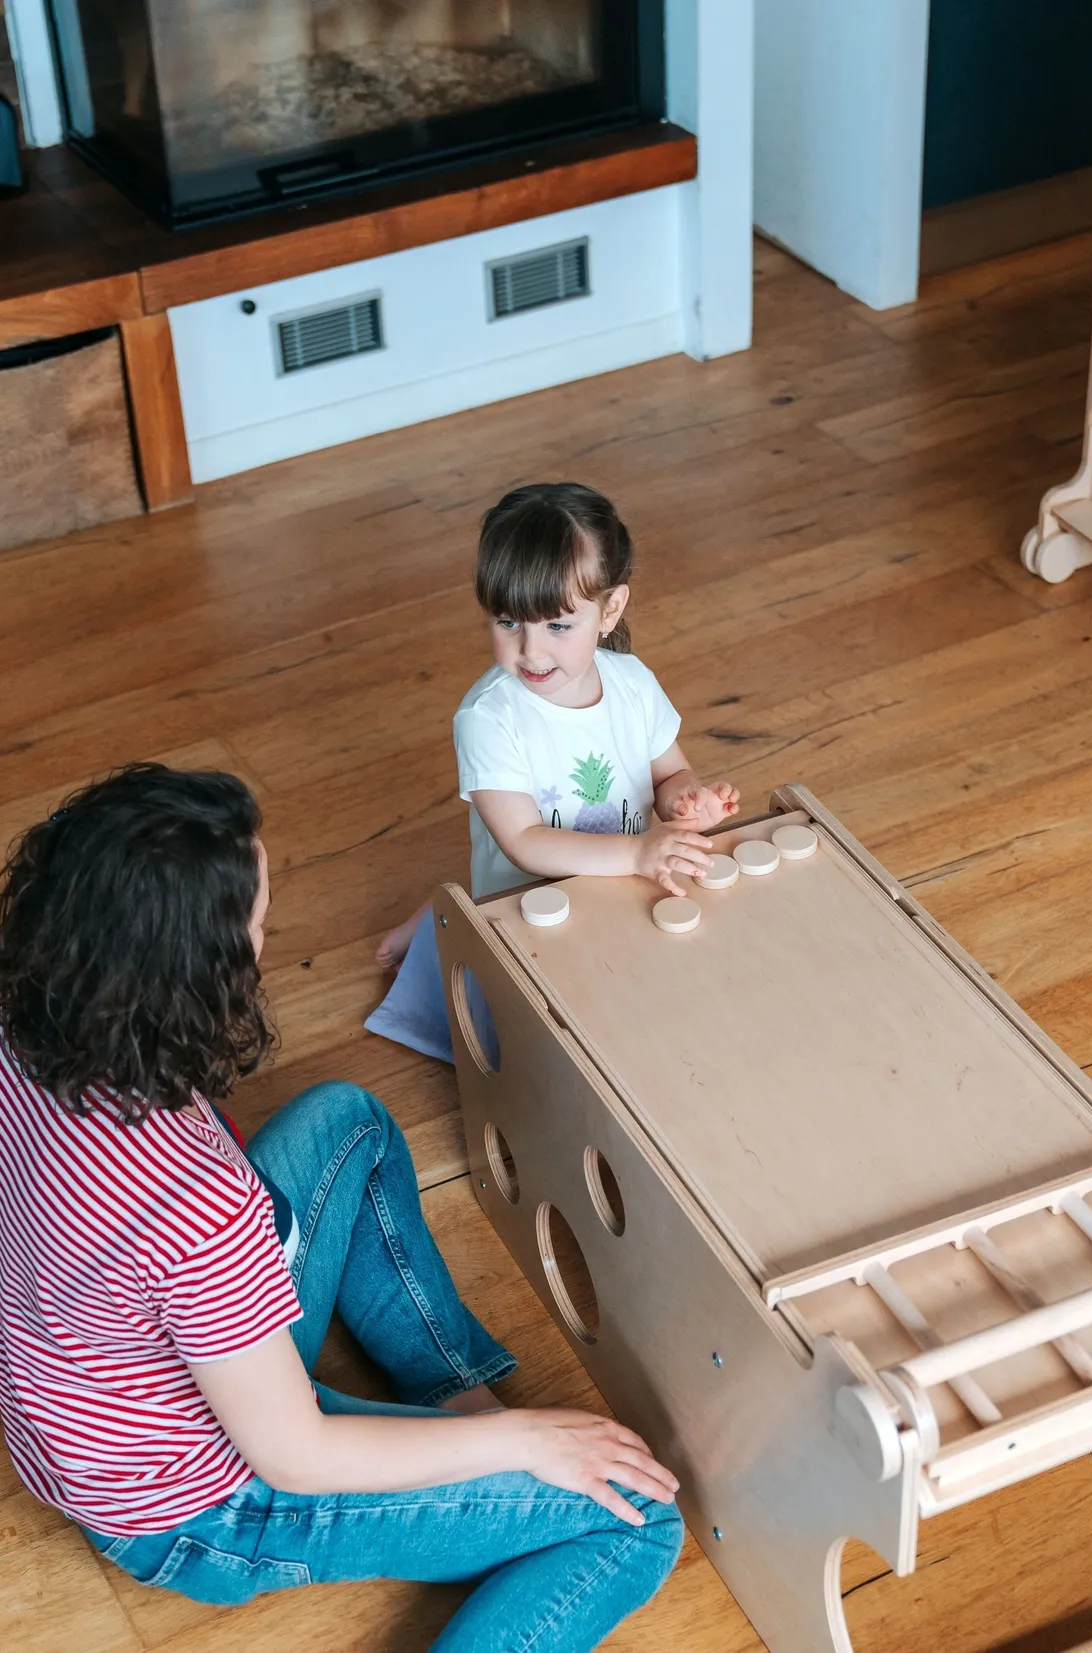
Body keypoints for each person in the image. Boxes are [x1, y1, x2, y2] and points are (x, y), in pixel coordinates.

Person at [0, 765, 683, 1651]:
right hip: (198, 1509)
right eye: (255, 926)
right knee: (633, 1517)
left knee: (346, 1122)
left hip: (83, 1400)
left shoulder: (28, 1011)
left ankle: (457, 1398)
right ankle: (483, 1442)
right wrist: (528, 1442)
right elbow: (294, 1455)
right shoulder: (196, 1204)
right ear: (191, 976)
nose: (263, 941)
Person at [367, 482, 740, 1057]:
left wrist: (688, 802)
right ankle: (437, 923)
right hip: (531, 903)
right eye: (509, 622)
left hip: (621, 886)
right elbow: (522, 841)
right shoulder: (487, 719)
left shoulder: (632, 683)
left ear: (610, 609)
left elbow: (669, 775)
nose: (532, 651)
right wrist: (639, 853)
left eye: (558, 626)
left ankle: (437, 911)